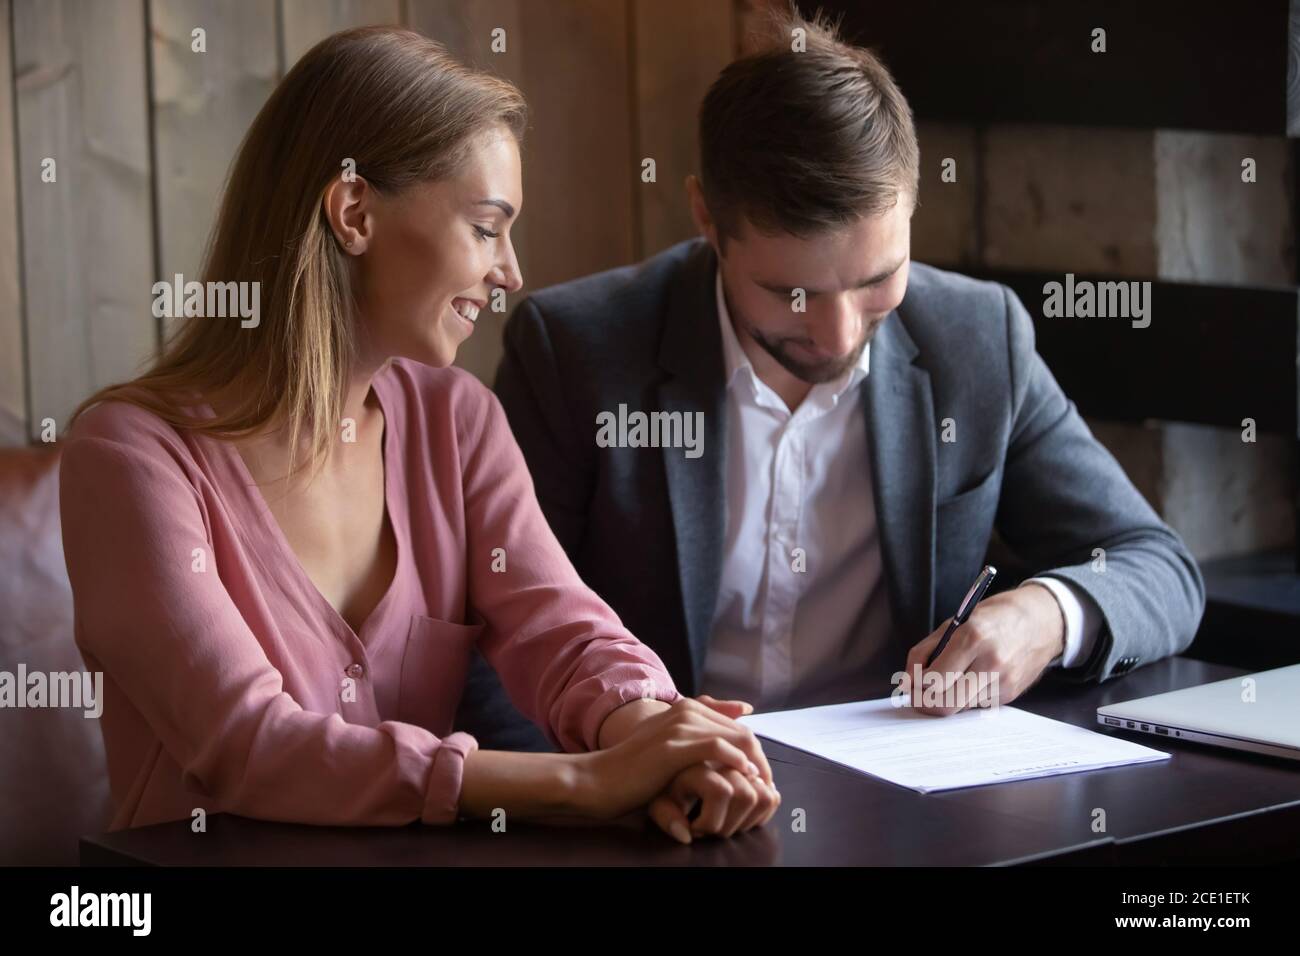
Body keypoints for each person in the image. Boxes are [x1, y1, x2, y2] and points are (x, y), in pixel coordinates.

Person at [59, 26, 777, 846]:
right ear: (354, 211)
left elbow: (565, 632)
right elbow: (249, 747)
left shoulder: (458, 421)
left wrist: (657, 734)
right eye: (485, 227)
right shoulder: (129, 459)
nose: (510, 272)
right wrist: (584, 780)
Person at [459, 9, 1205, 745]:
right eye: (795, 294)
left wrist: (1043, 613)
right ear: (706, 221)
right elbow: (494, 639)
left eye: (877, 280)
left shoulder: (977, 338)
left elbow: (1158, 566)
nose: (841, 334)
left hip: (906, 799)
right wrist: (598, 797)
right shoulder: (576, 351)